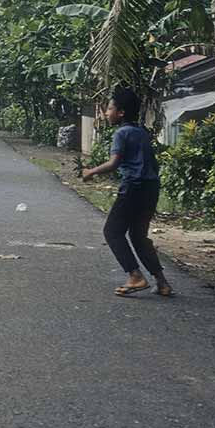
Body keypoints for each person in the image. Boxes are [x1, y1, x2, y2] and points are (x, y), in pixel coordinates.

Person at [82, 86, 174, 297]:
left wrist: (91, 171)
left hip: (133, 188)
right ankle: (162, 282)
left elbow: (114, 163)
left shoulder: (122, 133)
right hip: (151, 189)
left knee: (112, 231)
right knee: (138, 236)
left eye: (110, 108)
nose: (106, 112)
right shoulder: (141, 132)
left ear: (121, 112)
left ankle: (135, 276)